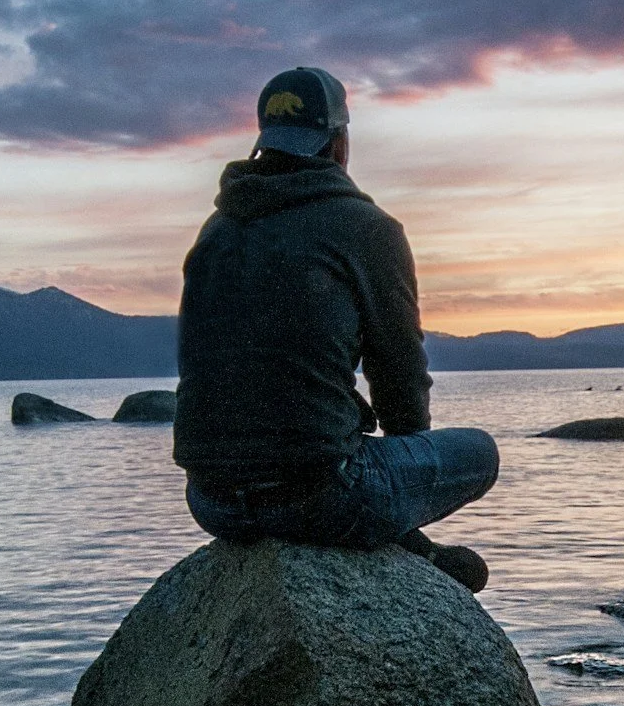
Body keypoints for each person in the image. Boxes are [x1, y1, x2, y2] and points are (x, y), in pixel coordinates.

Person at [172, 66, 498, 591]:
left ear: (264, 142)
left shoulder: (216, 232)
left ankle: (409, 544)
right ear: (339, 141)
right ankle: (408, 543)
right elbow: (398, 373)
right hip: (320, 497)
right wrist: (401, 476)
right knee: (480, 452)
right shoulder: (366, 228)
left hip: (211, 501)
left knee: (336, 444)